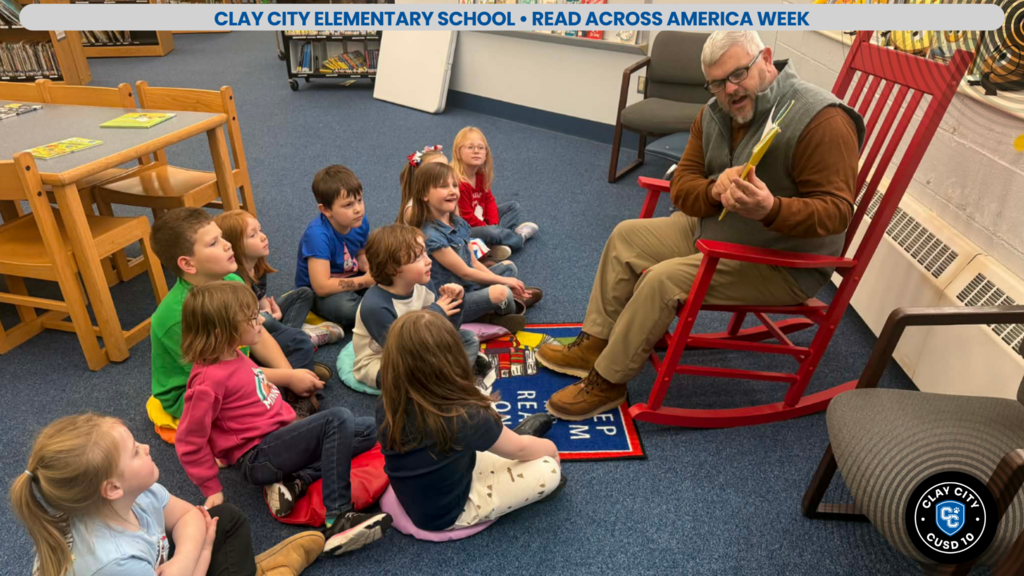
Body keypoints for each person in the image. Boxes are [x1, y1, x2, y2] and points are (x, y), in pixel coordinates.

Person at [537, 30, 865, 421]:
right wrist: (712, 190)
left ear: (766, 59)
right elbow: (683, 185)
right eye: (717, 83)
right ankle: (595, 342)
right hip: (717, 231)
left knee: (663, 281)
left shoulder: (823, 120)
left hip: (781, 260)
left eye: (738, 74)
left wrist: (771, 208)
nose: (730, 90)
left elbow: (836, 212)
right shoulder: (713, 113)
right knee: (626, 236)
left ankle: (608, 380)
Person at [175, 281, 392, 557]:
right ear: (222, 331)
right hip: (258, 457)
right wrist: (212, 487)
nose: (260, 321)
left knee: (368, 430)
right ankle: (338, 518)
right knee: (337, 419)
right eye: (251, 318)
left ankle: (296, 481)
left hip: (278, 440)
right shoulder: (208, 381)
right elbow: (189, 440)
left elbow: (242, 403)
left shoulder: (233, 354)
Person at [10, 413, 324, 576]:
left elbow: (189, 516)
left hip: (162, 565)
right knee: (211, 532)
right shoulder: (115, 562)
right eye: (135, 452)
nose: (146, 447)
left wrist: (183, 561)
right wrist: (201, 553)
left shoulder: (135, 494)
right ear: (113, 488)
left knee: (225, 518)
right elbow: (192, 526)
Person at [377, 311, 564, 531]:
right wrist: (551, 451)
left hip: (420, 495)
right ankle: (506, 438)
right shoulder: (465, 415)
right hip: (450, 513)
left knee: (483, 414)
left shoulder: (388, 400)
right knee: (548, 469)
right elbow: (520, 450)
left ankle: (502, 437)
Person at [149, 207, 324, 425]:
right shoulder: (180, 317)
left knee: (298, 340)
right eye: (214, 243)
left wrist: (289, 375)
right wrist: (288, 378)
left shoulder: (233, 279)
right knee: (242, 399)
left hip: (236, 356)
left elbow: (259, 335)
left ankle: (291, 396)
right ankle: (290, 400)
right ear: (188, 264)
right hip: (201, 388)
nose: (227, 244)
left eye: (221, 236)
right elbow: (221, 376)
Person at [406, 162, 543, 333]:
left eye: (454, 185)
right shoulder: (431, 235)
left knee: (509, 267)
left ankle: (504, 302)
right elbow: (465, 272)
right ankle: (507, 307)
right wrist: (503, 282)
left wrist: (501, 279)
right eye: (443, 186)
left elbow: (473, 263)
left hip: (470, 285)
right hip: (454, 299)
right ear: (424, 195)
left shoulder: (458, 222)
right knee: (501, 292)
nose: (452, 191)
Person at [352, 223, 489, 389]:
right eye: (418, 257)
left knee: (468, 338)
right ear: (393, 269)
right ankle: (453, 380)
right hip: (388, 362)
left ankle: (451, 380)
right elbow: (403, 353)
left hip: (422, 350)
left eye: (425, 252)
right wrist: (435, 314)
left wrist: (456, 302)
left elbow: (449, 330)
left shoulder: (424, 284)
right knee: (410, 375)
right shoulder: (375, 307)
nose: (428, 260)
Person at [215, 209, 344, 354]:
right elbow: (246, 321)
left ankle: (292, 337)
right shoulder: (234, 279)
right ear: (235, 245)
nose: (263, 237)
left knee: (304, 294)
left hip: (262, 317)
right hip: (251, 326)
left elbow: (261, 297)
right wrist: (272, 316)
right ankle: (300, 338)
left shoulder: (257, 266)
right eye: (253, 235)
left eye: (260, 230)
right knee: (267, 319)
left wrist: (270, 311)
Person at [295, 165, 375, 329]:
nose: (358, 209)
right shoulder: (318, 236)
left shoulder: (359, 221)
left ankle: (371, 308)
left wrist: (368, 267)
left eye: (359, 200)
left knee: (392, 281)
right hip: (321, 292)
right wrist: (365, 281)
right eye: (348, 205)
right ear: (325, 210)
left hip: (352, 275)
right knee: (348, 309)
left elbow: (360, 252)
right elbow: (321, 287)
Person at [451, 126, 538, 254]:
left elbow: (489, 201)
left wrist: (493, 224)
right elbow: (467, 218)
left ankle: (497, 242)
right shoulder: (459, 183)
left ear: (486, 153)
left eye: (481, 148)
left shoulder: (480, 176)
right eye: (470, 147)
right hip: (467, 229)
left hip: (483, 224)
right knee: (492, 231)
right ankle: (519, 238)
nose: (476, 151)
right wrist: (490, 228)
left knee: (513, 207)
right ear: (458, 152)